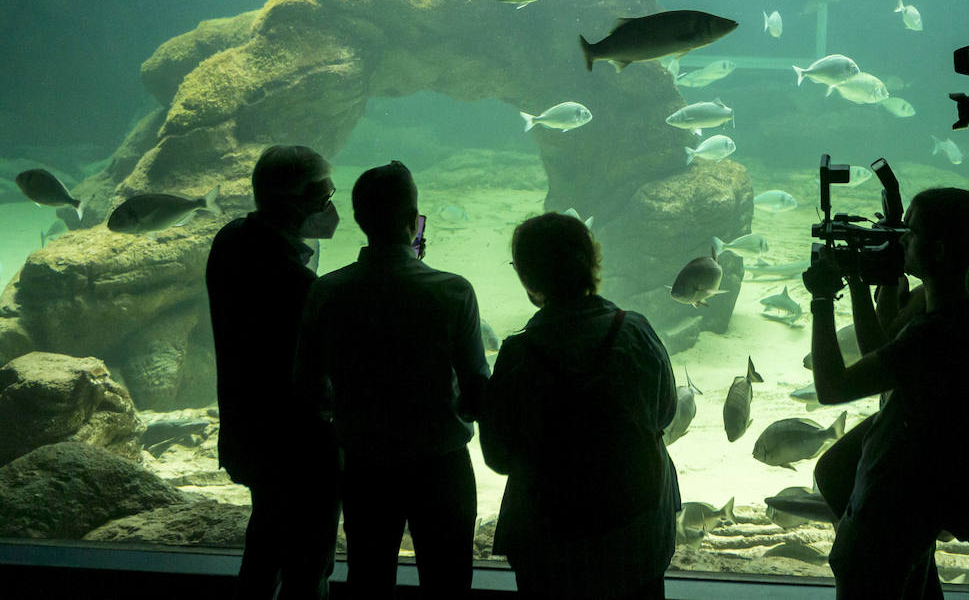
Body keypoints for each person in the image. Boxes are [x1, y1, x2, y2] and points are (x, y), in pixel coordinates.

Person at [805, 187, 969, 599]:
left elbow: (831, 388)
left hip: (889, 511)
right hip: (914, 510)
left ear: (935, 249)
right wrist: (860, 284)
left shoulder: (934, 336)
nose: (899, 239)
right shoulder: (962, 315)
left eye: (909, 233)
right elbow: (884, 355)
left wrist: (823, 298)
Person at [295, 160, 489, 598]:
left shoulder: (327, 291)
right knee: (449, 584)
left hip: (365, 465)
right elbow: (477, 386)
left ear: (360, 222)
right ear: (412, 222)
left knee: (368, 580)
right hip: (442, 463)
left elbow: (308, 385)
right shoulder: (453, 290)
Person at [479, 212, 680, 600]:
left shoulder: (518, 353)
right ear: (593, 262)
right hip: (636, 537)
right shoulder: (635, 331)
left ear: (527, 278)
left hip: (550, 544)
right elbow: (665, 414)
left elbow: (499, 456)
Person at [205, 144, 342, 600]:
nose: (332, 207)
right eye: (323, 197)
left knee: (263, 544)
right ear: (294, 201)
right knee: (308, 561)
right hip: (299, 444)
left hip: (249, 433)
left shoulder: (230, 241)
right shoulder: (297, 285)